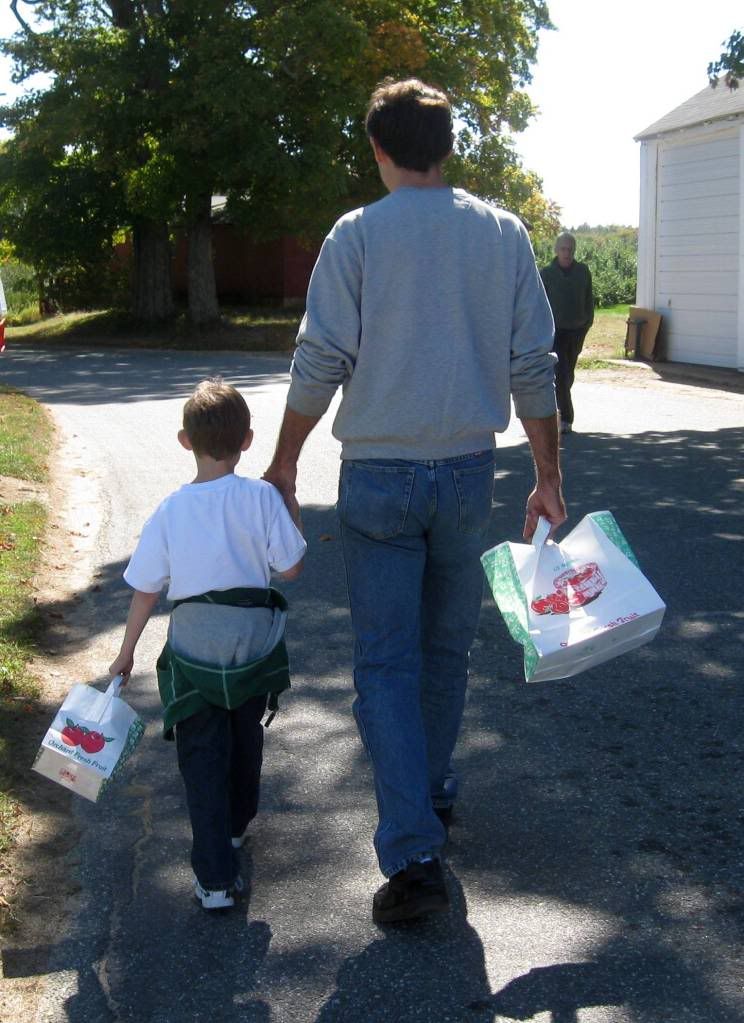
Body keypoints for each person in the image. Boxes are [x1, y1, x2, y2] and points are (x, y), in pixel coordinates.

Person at [264, 77, 566, 925]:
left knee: (387, 665)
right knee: (445, 654)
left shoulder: (357, 235)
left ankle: (414, 848)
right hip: (470, 469)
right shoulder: (502, 233)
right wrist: (547, 474)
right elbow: (533, 364)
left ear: (379, 148)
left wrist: (284, 461)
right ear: (448, 146)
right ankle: (429, 791)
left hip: (379, 478)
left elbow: (320, 358)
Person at [109, 378, 306, 911]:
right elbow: (290, 568)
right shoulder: (263, 498)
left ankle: (215, 879)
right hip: (250, 646)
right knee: (245, 736)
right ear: (247, 441)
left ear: (183, 441)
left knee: (201, 754)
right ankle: (238, 825)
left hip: (195, 646)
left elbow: (146, 588)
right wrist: (288, 501)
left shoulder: (171, 511)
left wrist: (127, 652)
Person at [540, 232, 594, 434]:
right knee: (560, 374)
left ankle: (559, 410)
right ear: (556, 250)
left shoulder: (582, 271)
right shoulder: (547, 273)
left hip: (577, 331)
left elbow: (589, 299)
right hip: (556, 332)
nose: (567, 253)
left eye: (570, 249)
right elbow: (540, 304)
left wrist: (586, 323)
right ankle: (566, 418)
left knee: (568, 374)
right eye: (563, 249)